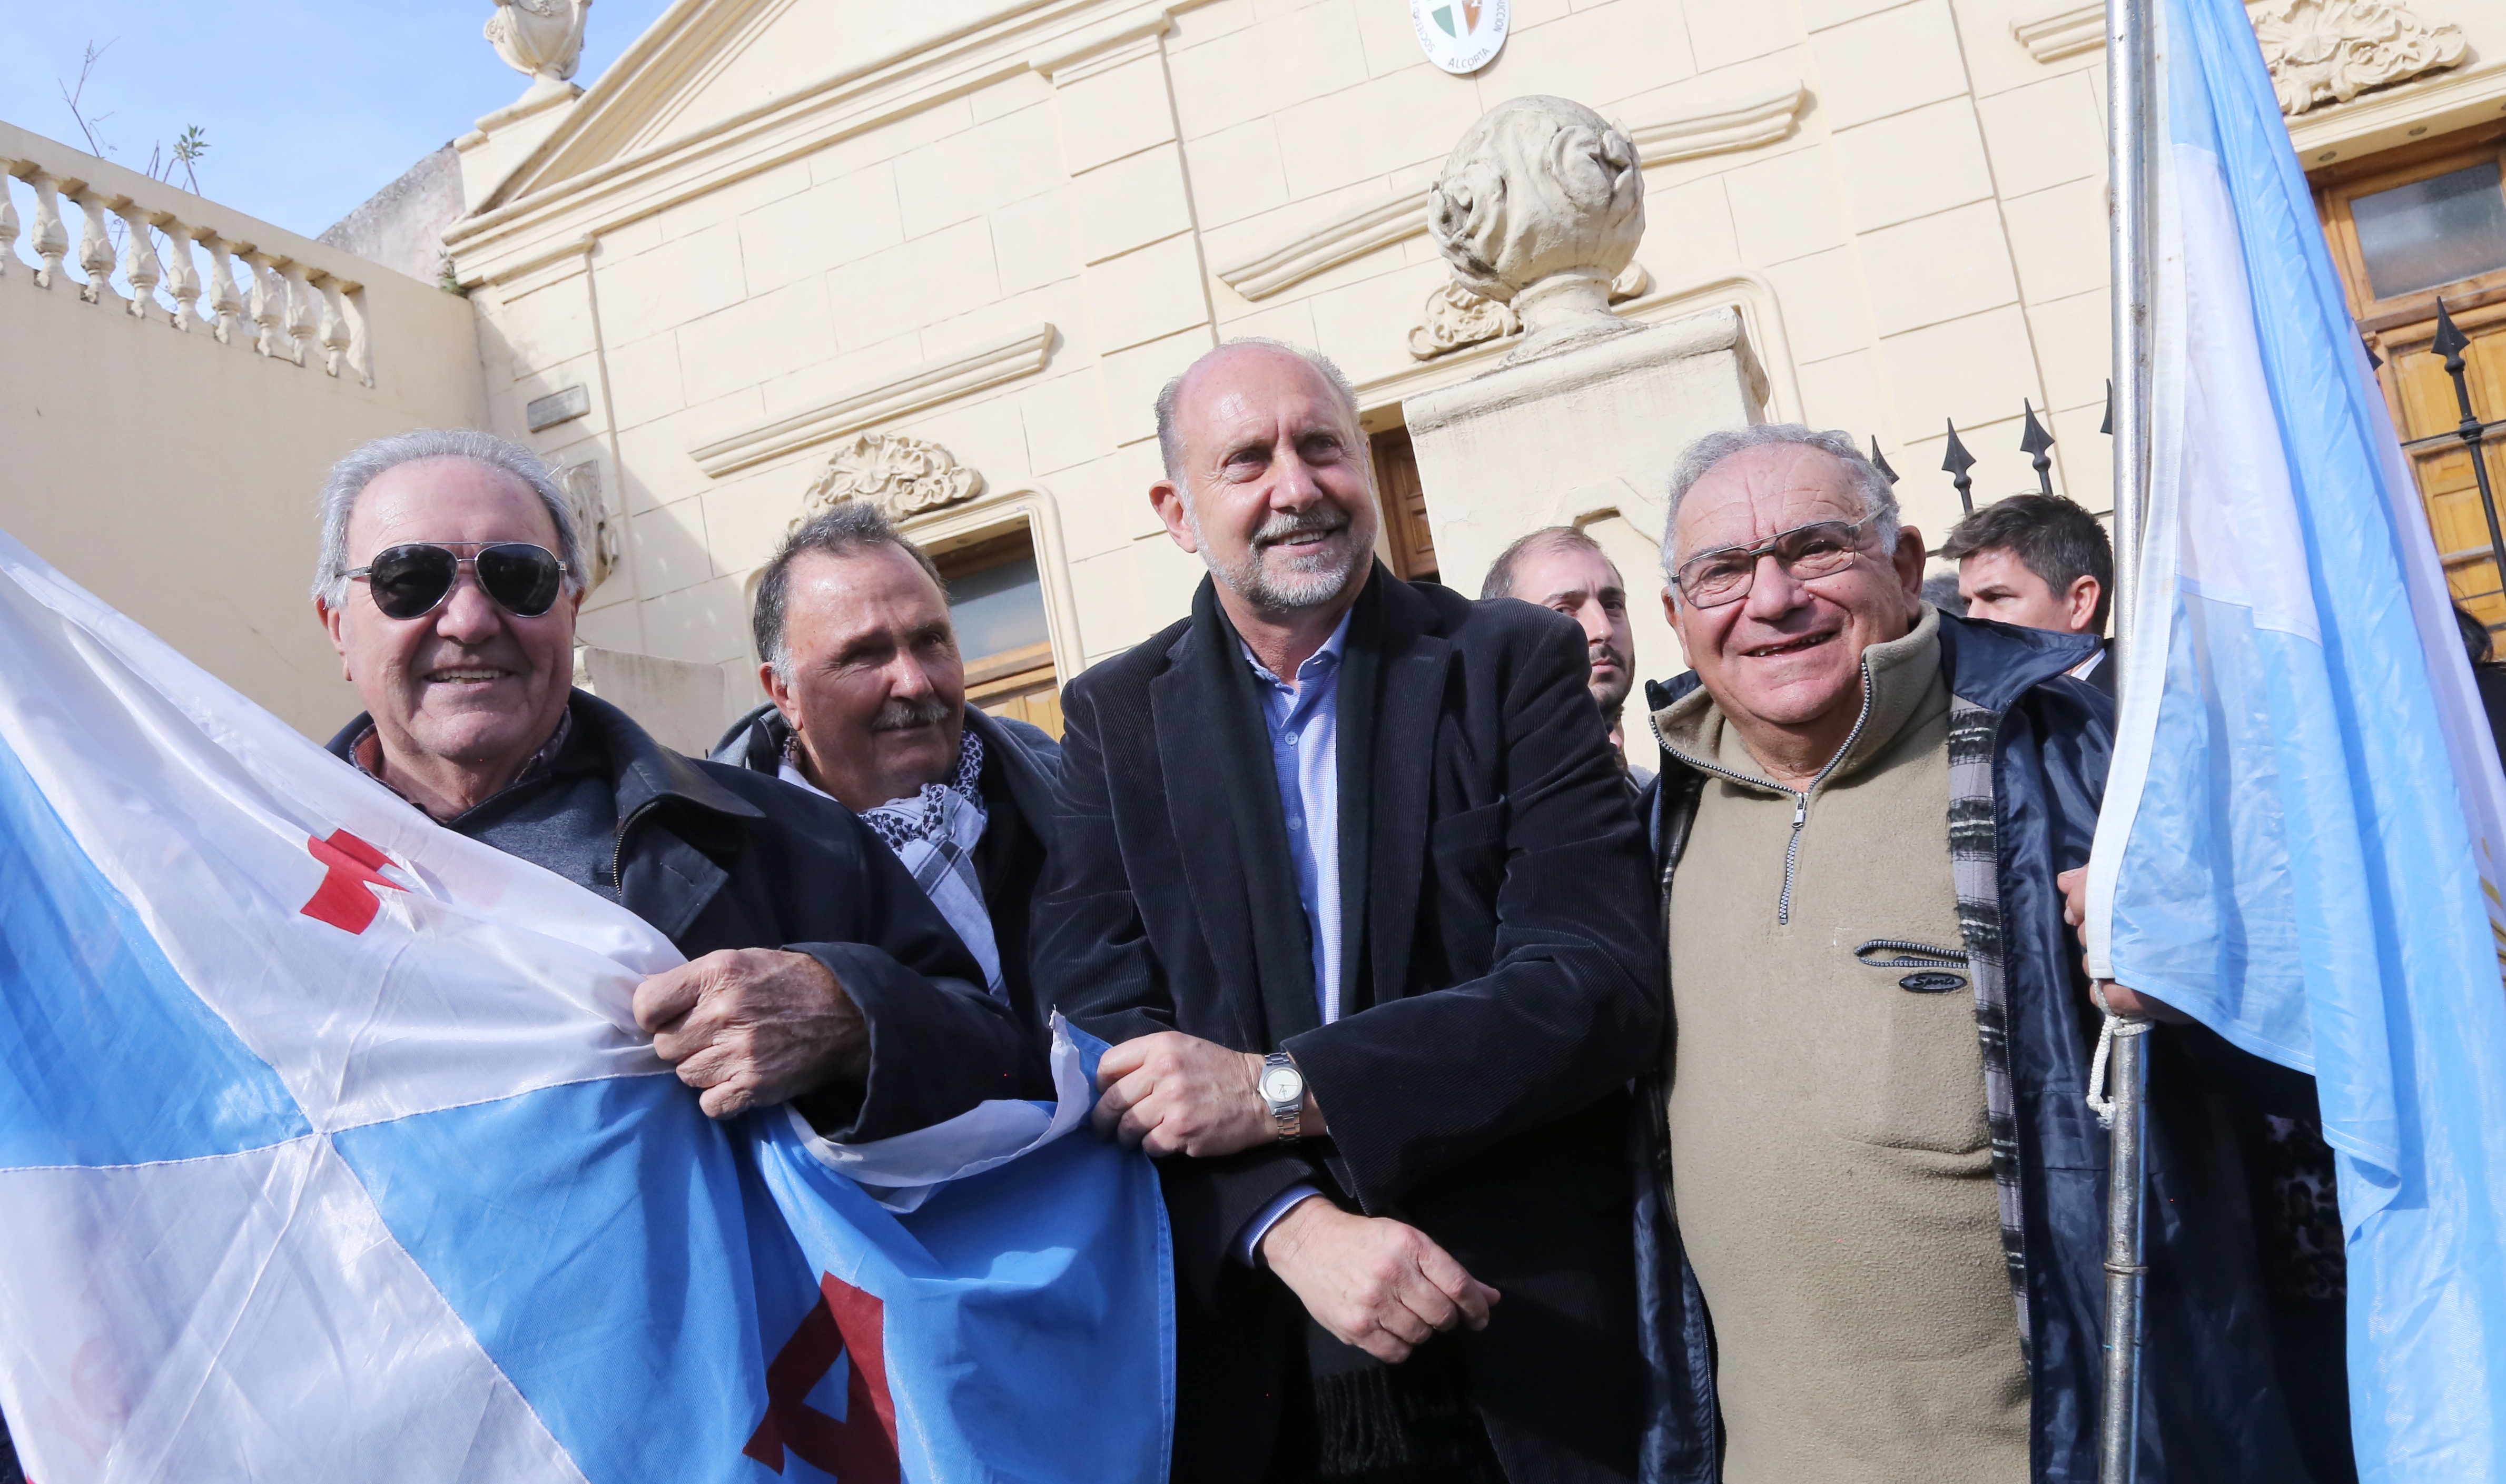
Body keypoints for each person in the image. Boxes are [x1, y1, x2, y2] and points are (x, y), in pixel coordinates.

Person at [1635, 424, 2340, 1483]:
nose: (1771, 598)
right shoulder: (1653, 827)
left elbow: (2345, 1057)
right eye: (1723, 570)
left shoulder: (2083, 760)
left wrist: (2212, 973)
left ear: (1904, 563)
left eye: (1816, 548)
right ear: (1676, 614)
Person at [1038, 340, 1662, 1483]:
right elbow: (1099, 1025)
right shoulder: (1115, 718)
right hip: (1260, 1372)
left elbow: (1596, 981)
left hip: (1524, 1349)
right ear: (1177, 512)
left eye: (1322, 445)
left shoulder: (1509, 661)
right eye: (1247, 459)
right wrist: (1290, 1223)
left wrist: (1277, 1089)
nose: (1297, 485)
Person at [312, 430, 1049, 1139]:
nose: (471, 621)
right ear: (337, 626)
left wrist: (854, 1018)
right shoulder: (258, 873)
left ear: (572, 608)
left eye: (518, 577)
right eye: (410, 581)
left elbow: (1009, 1068)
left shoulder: (796, 840)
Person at [712, 503, 1062, 1037]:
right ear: (785, 693)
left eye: (931, 641)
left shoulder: (1072, 795)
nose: (915, 683)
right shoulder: (715, 867)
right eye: (865, 655)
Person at [1480, 526, 1652, 787]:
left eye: (1612, 605)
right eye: (1562, 611)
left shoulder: (1666, 800)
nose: (1603, 629)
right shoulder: (1474, 805)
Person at [1940, 492, 2115, 692]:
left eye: (1997, 597)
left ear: (2079, 603)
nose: (1972, 619)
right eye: (1968, 602)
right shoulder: (1971, 704)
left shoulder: (2135, 707)